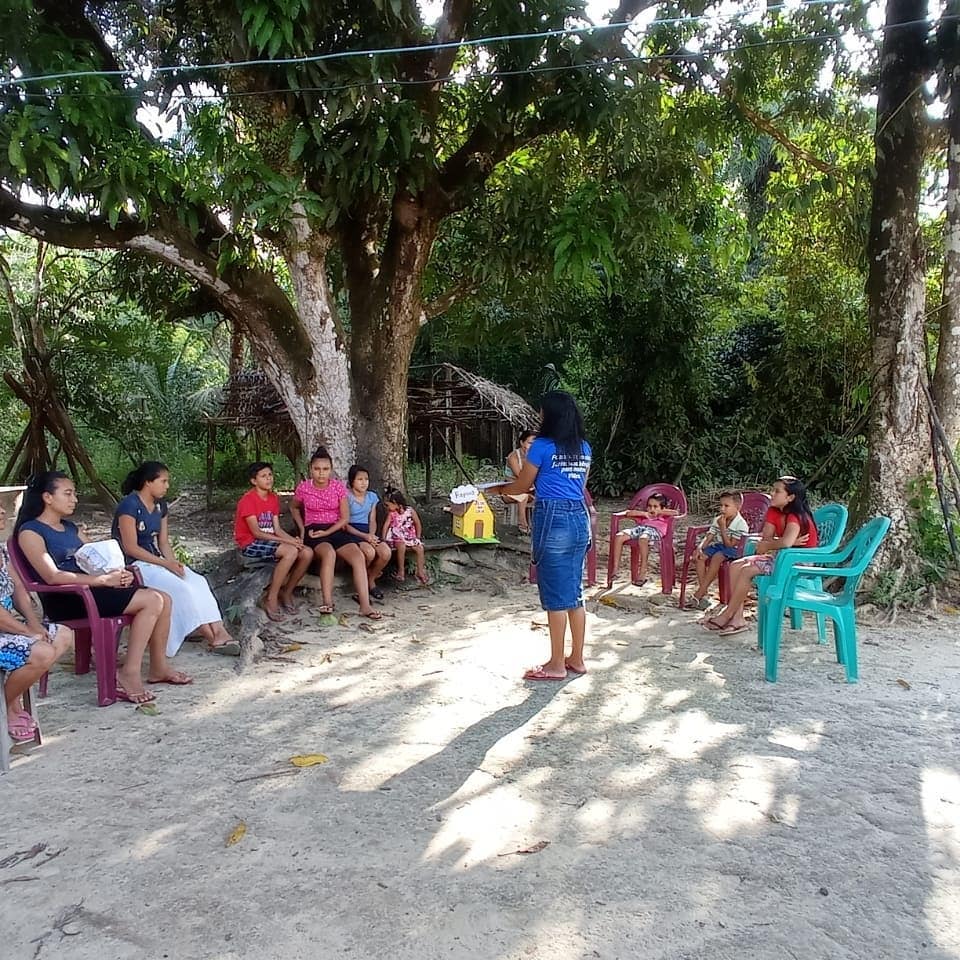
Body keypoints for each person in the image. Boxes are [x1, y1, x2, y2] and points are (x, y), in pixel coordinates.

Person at [16, 471, 188, 705]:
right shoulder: (30, 532)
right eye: (67, 494)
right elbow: (52, 576)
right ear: (47, 497)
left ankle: (158, 667)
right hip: (67, 598)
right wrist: (102, 581)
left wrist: (118, 573)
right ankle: (129, 672)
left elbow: (98, 560)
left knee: (164, 598)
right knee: (152, 600)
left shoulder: (70, 528)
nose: (74, 499)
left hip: (92, 590)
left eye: (74, 494)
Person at [497, 390, 591, 680]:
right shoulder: (583, 447)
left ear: (549, 416)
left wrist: (500, 490)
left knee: (555, 595)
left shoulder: (541, 447)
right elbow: (575, 485)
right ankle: (575, 658)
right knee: (575, 592)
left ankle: (555, 664)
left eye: (541, 413)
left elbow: (523, 483)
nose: (539, 418)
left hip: (554, 518)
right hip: (579, 517)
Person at [113, 461, 238, 656]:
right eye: (163, 481)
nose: (167, 486)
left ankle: (220, 630)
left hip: (156, 561)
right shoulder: (129, 506)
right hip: (134, 565)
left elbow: (163, 542)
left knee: (197, 581)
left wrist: (174, 564)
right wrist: (165, 564)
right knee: (181, 588)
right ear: (148, 482)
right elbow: (131, 547)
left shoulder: (160, 506)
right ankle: (211, 637)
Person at [704, 476, 819, 637]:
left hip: (797, 562)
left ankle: (728, 614)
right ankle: (737, 619)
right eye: (773, 489)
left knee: (747, 570)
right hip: (781, 557)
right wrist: (777, 543)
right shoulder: (773, 511)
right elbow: (768, 540)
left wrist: (776, 543)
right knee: (735, 565)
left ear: (790, 498)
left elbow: (783, 543)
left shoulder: (795, 516)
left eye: (777, 491)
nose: (771, 493)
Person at [0, 500, 74, 742]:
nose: (2, 511)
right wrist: (26, 632)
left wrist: (32, 623)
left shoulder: (1, 549)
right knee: (41, 652)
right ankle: (7, 705)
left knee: (62, 634)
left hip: (8, 628)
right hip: (5, 629)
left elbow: (18, 588)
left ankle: (9, 699)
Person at [290, 448, 382, 620]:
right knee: (329, 553)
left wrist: (329, 530)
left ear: (331, 470)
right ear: (311, 469)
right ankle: (328, 602)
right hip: (315, 531)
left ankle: (365, 605)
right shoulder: (303, 488)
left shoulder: (338, 487)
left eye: (325, 469)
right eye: (317, 469)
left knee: (358, 556)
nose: (321, 473)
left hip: (336, 528)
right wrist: (302, 529)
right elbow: (294, 507)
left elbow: (345, 517)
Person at [234, 461, 314, 622]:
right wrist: (288, 544)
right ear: (254, 481)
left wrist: (294, 540)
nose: (269, 479)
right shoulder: (248, 500)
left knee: (306, 552)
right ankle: (271, 597)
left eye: (270, 475)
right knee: (290, 551)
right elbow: (257, 533)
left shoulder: (273, 498)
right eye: (263, 476)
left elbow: (277, 529)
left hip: (270, 541)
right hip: (251, 543)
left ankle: (287, 591)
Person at [684, 491, 750, 611]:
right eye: (721, 505)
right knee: (700, 557)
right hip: (719, 546)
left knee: (718, 557)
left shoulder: (741, 524)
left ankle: (699, 593)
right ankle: (704, 591)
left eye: (726, 506)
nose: (722, 509)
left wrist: (723, 528)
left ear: (738, 507)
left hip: (735, 550)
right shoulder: (718, 519)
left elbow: (729, 545)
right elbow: (709, 536)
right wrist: (700, 547)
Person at [609, 493, 680, 587]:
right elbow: (628, 513)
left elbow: (676, 513)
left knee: (643, 538)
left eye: (655, 506)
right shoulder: (646, 514)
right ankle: (615, 569)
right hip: (641, 528)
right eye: (649, 506)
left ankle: (642, 572)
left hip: (655, 531)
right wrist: (644, 514)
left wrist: (659, 512)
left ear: (662, 508)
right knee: (619, 536)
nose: (652, 509)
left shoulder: (664, 515)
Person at [344, 465, 391, 598]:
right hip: (353, 532)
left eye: (366, 479)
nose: (364, 482)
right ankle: (361, 587)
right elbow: (345, 524)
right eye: (360, 479)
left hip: (368, 531)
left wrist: (371, 535)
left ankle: (370, 580)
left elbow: (372, 520)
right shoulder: (346, 497)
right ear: (352, 481)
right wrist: (365, 537)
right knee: (369, 553)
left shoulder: (372, 497)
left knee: (385, 552)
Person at [381, 488, 429, 585]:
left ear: (395, 502)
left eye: (388, 505)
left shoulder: (410, 511)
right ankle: (401, 571)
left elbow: (417, 523)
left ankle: (420, 571)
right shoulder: (392, 514)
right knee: (401, 545)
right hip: (397, 536)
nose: (387, 507)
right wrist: (384, 538)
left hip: (409, 536)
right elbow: (386, 526)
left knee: (420, 548)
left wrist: (418, 537)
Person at [503, 430, 537, 534]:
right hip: (509, 492)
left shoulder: (535, 456)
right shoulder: (513, 457)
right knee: (523, 495)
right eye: (530, 443)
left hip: (529, 490)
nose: (532, 446)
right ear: (522, 443)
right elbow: (520, 476)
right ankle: (522, 524)